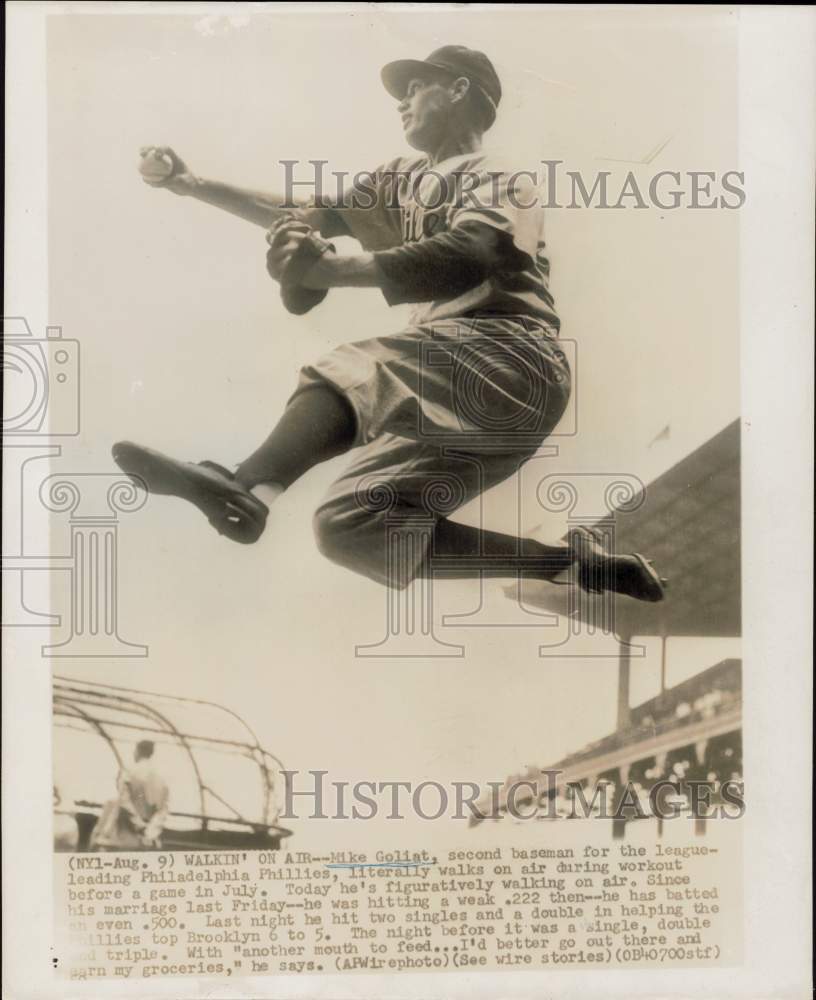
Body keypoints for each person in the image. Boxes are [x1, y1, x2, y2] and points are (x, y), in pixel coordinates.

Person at [114, 45, 665, 601]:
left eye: (416, 86)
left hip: (511, 360)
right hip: (458, 387)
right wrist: (192, 184)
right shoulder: (401, 181)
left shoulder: (496, 173)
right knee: (350, 525)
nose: (402, 100)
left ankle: (244, 484)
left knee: (357, 368)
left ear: (458, 90)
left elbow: (470, 252)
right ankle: (571, 565)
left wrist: (324, 270)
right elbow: (302, 211)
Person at [90, 741, 169, 851]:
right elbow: (163, 810)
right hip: (149, 841)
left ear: (137, 751)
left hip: (124, 838)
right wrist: (150, 831)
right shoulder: (162, 778)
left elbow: (125, 802)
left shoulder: (128, 771)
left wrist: (140, 826)